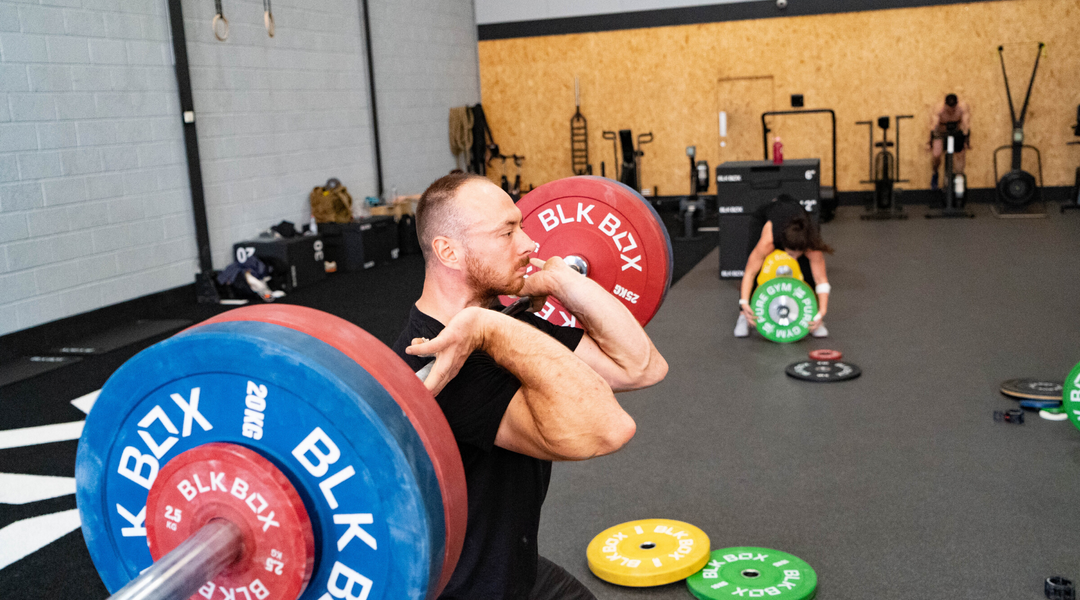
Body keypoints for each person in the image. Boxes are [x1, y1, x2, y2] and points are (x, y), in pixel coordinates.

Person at [392, 172, 668, 599]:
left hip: (514, 566)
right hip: (473, 587)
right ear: (448, 250)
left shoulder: (504, 321)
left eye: (521, 225)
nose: (530, 243)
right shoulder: (434, 361)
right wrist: (490, 329)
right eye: (507, 232)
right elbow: (608, 430)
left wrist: (564, 282)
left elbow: (641, 367)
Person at [734, 194, 833, 338]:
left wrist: (822, 311)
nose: (792, 259)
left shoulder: (811, 245)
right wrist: (743, 302)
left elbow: (821, 280)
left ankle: (815, 320)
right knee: (755, 265)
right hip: (765, 218)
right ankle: (743, 315)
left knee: (807, 271)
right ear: (783, 245)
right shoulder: (769, 240)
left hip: (798, 223)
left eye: (796, 255)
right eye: (790, 254)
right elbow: (749, 273)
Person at [929, 93, 972, 189]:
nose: (952, 110)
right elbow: (933, 127)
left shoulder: (962, 107)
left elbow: (966, 125)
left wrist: (966, 141)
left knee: (960, 154)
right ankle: (935, 172)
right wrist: (930, 143)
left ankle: (959, 177)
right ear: (945, 105)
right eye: (949, 107)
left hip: (956, 132)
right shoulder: (939, 109)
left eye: (954, 107)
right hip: (941, 132)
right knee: (936, 154)